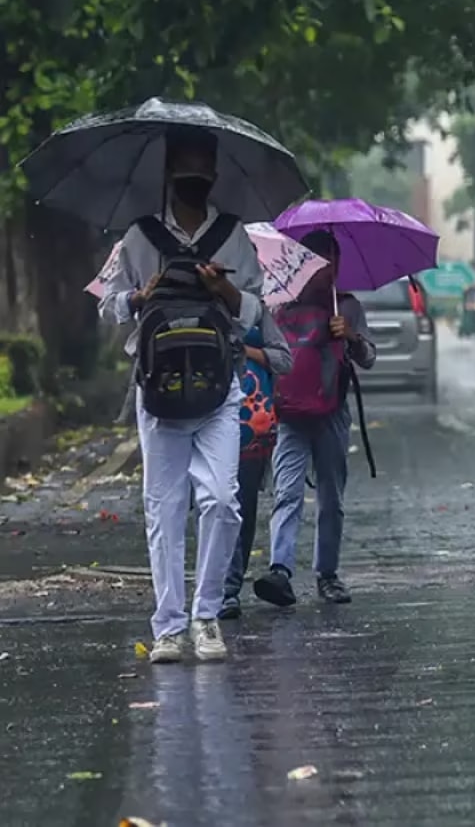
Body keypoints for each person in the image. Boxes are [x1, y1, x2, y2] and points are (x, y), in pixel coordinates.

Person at [98, 125, 265, 663]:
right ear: (169, 174)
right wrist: (138, 296)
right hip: (158, 394)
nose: (195, 179)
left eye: (203, 170)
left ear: (213, 175)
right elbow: (108, 304)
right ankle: (169, 626)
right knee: (164, 511)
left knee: (221, 500)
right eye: (185, 170)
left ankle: (207, 616)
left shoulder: (235, 237)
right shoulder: (139, 238)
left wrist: (227, 291)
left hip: (220, 391)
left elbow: (261, 309)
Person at [253, 230, 376, 608]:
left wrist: (351, 337)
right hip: (289, 412)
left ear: (339, 265)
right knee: (287, 492)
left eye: (330, 262)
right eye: (316, 260)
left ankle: (327, 573)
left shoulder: (349, 307)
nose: (324, 270)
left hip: (331, 412)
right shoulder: (278, 305)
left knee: (330, 497)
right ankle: (281, 570)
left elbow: (368, 357)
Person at [219, 311, 292, 620]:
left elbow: (283, 360)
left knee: (242, 506)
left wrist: (245, 350)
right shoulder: (191, 302)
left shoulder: (257, 311)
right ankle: (216, 589)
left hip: (252, 424)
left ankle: (229, 588)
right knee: (214, 502)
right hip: (202, 414)